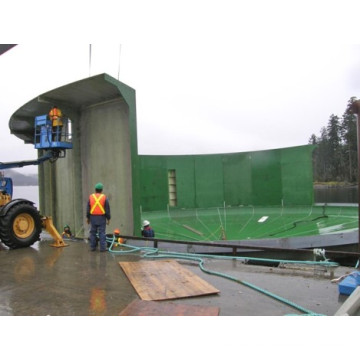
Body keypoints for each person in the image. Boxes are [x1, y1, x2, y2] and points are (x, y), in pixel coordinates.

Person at [86, 182, 111, 252]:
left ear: (95, 189)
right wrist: (108, 218)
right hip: (101, 218)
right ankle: (102, 248)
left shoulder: (91, 197)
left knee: (93, 232)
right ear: (101, 190)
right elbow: (107, 209)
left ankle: (92, 247)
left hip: (93, 217)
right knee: (102, 232)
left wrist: (88, 218)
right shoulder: (104, 197)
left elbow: (88, 208)